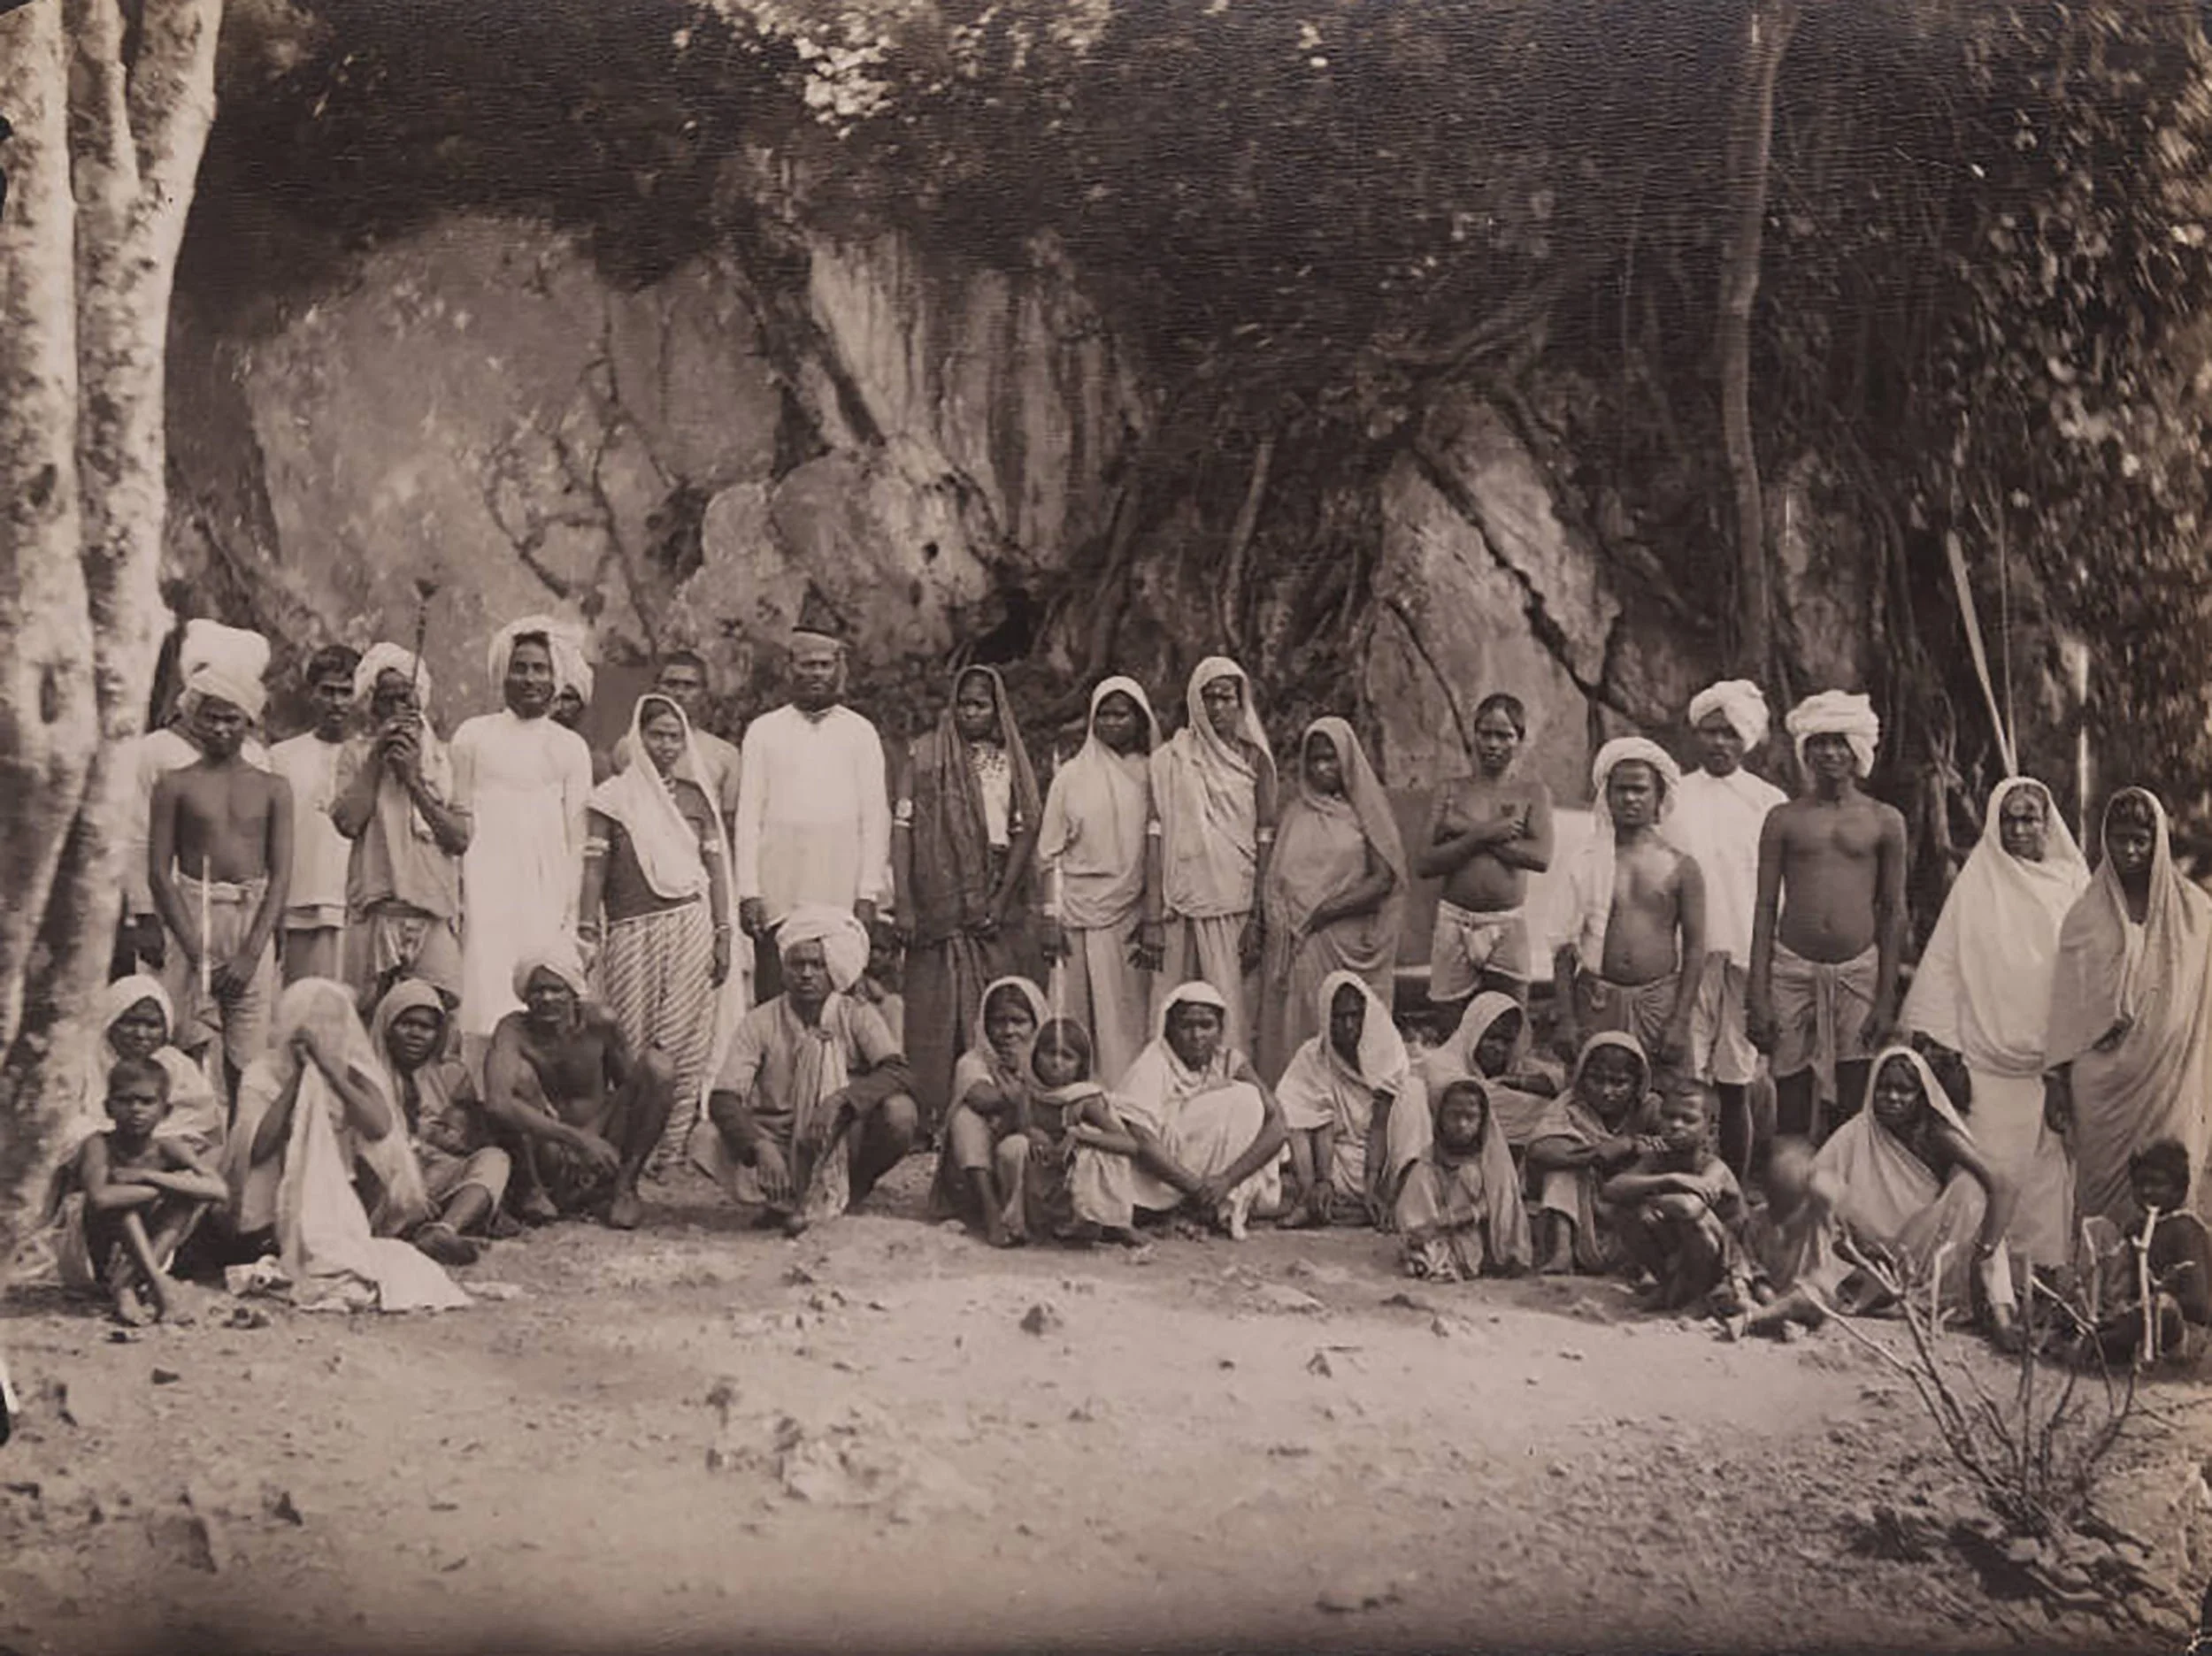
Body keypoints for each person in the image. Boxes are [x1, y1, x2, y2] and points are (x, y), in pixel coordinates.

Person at [1901, 777, 2085, 1268]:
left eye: (2030, 818)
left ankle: (2038, 1277)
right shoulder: (1977, 882)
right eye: (2009, 818)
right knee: (1983, 1172)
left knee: (2044, 1175)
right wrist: (1945, 1046)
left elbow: (2086, 970)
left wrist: (2069, 1060)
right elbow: (1944, 966)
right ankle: (1979, 1275)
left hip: (2047, 1065)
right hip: (1985, 1060)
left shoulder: (2071, 884)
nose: (2020, 828)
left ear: (2048, 824)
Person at [226, 979, 470, 1310]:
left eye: (334, 1022)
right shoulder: (262, 1071)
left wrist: (330, 1072)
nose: (324, 1030)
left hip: (340, 1203)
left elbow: (381, 1128)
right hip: (273, 1208)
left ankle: (356, 1235)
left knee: (377, 1147)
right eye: (314, 1021)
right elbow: (258, 1148)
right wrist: (300, 1080)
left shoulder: (354, 1073)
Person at [2044, 786, 2212, 1228]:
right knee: (2098, 1195)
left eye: (2142, 839)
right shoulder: (2083, 917)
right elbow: (2065, 1007)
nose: (2131, 850)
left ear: (2159, 843)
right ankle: (2100, 1287)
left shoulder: (2196, 913)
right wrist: (2056, 1082)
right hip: (2101, 1087)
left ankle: (2169, 1286)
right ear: (2106, 840)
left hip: (2170, 1079)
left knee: (2169, 1181)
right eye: (2120, 839)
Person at [580, 694, 733, 1172]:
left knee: (681, 1039)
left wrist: (723, 929)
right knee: (630, 1039)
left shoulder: (695, 798)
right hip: (630, 930)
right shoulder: (611, 797)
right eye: (656, 734)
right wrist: (587, 927)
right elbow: (593, 870)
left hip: (690, 925)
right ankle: (629, 1148)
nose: (666, 744)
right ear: (637, 737)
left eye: (674, 735)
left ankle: (668, 1150)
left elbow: (716, 868)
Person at [698, 906, 918, 1235]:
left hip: (838, 1136)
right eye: (797, 964)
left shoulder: (855, 1013)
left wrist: (841, 1101)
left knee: (900, 1113)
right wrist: (759, 1146)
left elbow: (897, 1071)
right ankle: (781, 1199)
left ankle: (852, 1189)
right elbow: (724, 1097)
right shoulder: (761, 1020)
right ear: (783, 969)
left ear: (832, 969)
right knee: (704, 1138)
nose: (806, 974)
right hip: (779, 1139)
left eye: (817, 964)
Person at [1748, 690, 1909, 1143]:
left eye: (1839, 742)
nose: (1829, 753)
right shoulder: (1783, 818)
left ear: (1858, 748)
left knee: (1856, 1092)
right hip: (1791, 968)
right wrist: (1757, 993)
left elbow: (1894, 910)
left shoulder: (1884, 820)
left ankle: (1844, 1202)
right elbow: (1764, 906)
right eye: (1818, 742)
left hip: (1859, 968)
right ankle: (1794, 1199)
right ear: (1805, 750)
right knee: (1792, 1091)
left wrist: (1885, 999)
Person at [894, 665, 1042, 1134]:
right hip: (935, 892)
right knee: (934, 1002)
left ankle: (997, 1106)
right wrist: (904, 901)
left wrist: (998, 900)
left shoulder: (1008, 761)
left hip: (993, 891)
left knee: (992, 1000)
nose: (971, 712)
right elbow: (904, 829)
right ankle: (930, 1112)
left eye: (981, 704)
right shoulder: (924, 757)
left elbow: (1025, 829)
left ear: (997, 709)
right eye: (964, 703)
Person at [148, 623, 292, 1091]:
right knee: (185, 1051)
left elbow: (282, 875)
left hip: (252, 921)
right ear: (194, 716)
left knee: (249, 1063)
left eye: (232, 718)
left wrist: (252, 953)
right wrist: (197, 954)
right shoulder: (175, 783)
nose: (221, 728)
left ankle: (243, 1155)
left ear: (249, 720)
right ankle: (190, 1148)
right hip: (194, 917)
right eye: (211, 717)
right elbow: (158, 874)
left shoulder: (273, 787)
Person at [1812, 1046, 2021, 1345]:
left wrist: (1984, 1251)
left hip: (1926, 1248)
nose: (1892, 1097)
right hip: (1868, 1251)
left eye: (1904, 1090)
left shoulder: (1936, 1133)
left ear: (1921, 1096)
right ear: (1871, 1088)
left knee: (1971, 1189)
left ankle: (2000, 1313)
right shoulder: (1856, 1133)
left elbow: (2003, 1184)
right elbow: (1813, 1188)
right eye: (1884, 1088)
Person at [449, 618, 595, 1046]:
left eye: (540, 669)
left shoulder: (569, 747)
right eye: (521, 668)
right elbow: (458, 821)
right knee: (480, 987)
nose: (530, 679)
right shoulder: (472, 735)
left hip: (546, 887)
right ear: (502, 674)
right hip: (483, 881)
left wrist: (574, 916)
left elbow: (579, 839)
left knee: (539, 989)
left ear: (556, 677)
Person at [733, 614, 892, 999]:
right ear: (791, 668)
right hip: (780, 892)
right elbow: (749, 816)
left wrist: (868, 892)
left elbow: (875, 818)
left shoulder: (860, 732)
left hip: (840, 892)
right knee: (777, 998)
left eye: (825, 665)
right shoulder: (764, 731)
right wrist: (749, 891)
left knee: (838, 1002)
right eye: (807, 665)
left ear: (838, 669)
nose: (816, 674)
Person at [1670, 680, 1788, 1177]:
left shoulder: (1767, 800)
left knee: (1736, 1082)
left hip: (1744, 954)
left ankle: (1732, 1193)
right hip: (1685, 957)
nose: (1719, 743)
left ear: (1748, 740)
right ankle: (1679, 1183)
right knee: (1684, 1083)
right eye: (1711, 732)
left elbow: (1779, 890)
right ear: (1696, 734)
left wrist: (1767, 971)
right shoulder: (1674, 793)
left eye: (1731, 734)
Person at [480, 943, 675, 1231]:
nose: (546, 998)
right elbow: (497, 1102)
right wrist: (577, 1140)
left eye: (556, 990)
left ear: (573, 993)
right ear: (525, 996)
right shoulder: (513, 1029)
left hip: (601, 1140)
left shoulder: (601, 1023)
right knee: (517, 1076)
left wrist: (596, 1135)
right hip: (548, 1147)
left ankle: (625, 1188)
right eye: (537, 991)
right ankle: (532, 1190)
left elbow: (629, 1089)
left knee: (658, 1066)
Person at [118, 620, 274, 976]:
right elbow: (135, 836)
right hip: (171, 909)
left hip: (240, 914)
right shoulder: (156, 750)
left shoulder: (256, 757)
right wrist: (143, 914)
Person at [1257, 717, 1408, 1082]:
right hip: (1296, 945)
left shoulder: (1365, 813)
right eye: (1314, 760)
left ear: (1348, 761)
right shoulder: (1295, 814)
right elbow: (1277, 880)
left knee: (1348, 1028)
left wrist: (1324, 912)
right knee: (1299, 1029)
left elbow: (1384, 878)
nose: (1322, 768)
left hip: (1343, 940)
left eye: (1331, 758)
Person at [1038, 678, 1166, 1090]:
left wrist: (1151, 915)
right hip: (1074, 910)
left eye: (1122, 714)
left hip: (1129, 914)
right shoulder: (1072, 776)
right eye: (1105, 714)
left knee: (1123, 1016)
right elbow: (1049, 852)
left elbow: (1159, 845)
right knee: (1072, 1012)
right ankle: (1070, 1100)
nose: (1113, 723)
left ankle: (1125, 1100)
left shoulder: (1153, 774)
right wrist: (1050, 914)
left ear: (1139, 719)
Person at [331, 642, 472, 1009]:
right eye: (386, 700)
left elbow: (459, 838)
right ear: (372, 705)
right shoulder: (356, 754)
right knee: (365, 1021)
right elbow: (347, 822)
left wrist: (412, 779)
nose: (396, 710)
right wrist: (379, 757)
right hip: (375, 913)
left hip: (433, 915)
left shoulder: (446, 758)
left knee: (434, 1021)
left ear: (419, 702)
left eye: (405, 700)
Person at [1150, 659, 1278, 1062]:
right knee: (1171, 1005)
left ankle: (1232, 1096)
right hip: (1180, 902)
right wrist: (1152, 911)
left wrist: (1258, 914)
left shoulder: (1256, 760)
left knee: (1231, 1012)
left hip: (1234, 903)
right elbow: (1154, 834)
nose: (1218, 707)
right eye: (1210, 698)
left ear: (1241, 703)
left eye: (1227, 697)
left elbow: (1265, 837)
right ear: (1194, 701)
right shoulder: (1170, 759)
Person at [1552, 738, 1706, 1071]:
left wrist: (1680, 1021)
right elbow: (1564, 946)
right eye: (1621, 789)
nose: (1630, 798)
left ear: (1659, 798)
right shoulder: (1586, 860)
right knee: (1593, 1100)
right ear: (1606, 796)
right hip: (1595, 1002)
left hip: (1659, 1005)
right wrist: (1566, 1018)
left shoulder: (1681, 866)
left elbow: (1696, 949)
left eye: (1640, 789)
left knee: (1667, 1103)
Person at [1097, 981, 1286, 1239]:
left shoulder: (1229, 1061)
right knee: (1243, 1098)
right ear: (1169, 1029)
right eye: (1186, 1026)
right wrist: (1196, 1188)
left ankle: (1211, 1205)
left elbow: (1277, 1127)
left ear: (1220, 1030)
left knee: (1249, 1099)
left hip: (1212, 1182)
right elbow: (1142, 1140)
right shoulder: (1155, 1061)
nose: (1197, 1035)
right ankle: (1186, 1207)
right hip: (1156, 1173)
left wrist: (1227, 1181)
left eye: (1206, 1025)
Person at [1415, 692, 1554, 1014]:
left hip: (1506, 921)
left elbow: (1541, 857)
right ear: (1474, 736)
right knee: (1450, 1023)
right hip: (1454, 919)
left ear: (1520, 741)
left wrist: (1460, 827)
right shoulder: (1450, 789)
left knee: (1509, 1021)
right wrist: (1483, 833)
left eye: (1504, 736)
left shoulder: (1532, 793)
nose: (1493, 744)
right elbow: (1424, 862)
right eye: (1486, 734)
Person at [60, 1059, 228, 1325]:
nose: (135, 1110)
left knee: (183, 1200)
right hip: (93, 1259)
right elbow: (100, 1198)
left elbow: (219, 1190)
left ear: (166, 1110)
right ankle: (157, 1286)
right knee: (124, 1203)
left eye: (146, 1102)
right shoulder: (98, 1144)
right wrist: (165, 1188)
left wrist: (150, 1177)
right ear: (108, 1108)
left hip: (142, 1259)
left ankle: (127, 1285)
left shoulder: (168, 1147)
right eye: (125, 1101)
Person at [368, 981, 513, 1265]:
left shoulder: (450, 1074)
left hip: (432, 1175)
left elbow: (467, 1142)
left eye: (426, 1027)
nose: (416, 1034)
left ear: (438, 1034)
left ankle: (443, 1231)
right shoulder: (367, 1072)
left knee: (494, 1160)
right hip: (384, 1182)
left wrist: (453, 1134)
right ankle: (406, 1227)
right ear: (386, 1025)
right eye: (406, 1024)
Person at [1601, 1081, 1753, 1314]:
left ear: (1710, 1129)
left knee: (1695, 1222)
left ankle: (1700, 1294)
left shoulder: (1715, 1168)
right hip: (1681, 1256)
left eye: (1688, 1119)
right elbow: (1612, 1189)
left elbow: (1689, 1208)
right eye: (1669, 1117)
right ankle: (1669, 1285)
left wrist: (1650, 1197)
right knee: (1626, 1213)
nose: (1676, 1125)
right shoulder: (1657, 1160)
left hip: (1725, 1264)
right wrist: (1670, 1179)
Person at [1271, 972, 1409, 1228]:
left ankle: (1345, 1204)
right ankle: (1311, 1197)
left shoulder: (1387, 1051)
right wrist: (1317, 1181)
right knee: (1276, 1154)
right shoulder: (1314, 1055)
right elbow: (1298, 1119)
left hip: (1377, 1159)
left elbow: (1381, 1125)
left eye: (1355, 1016)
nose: (1348, 1026)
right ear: (1326, 1017)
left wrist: (1371, 1185)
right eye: (1339, 1017)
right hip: (1327, 1158)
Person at [1525, 1031, 1666, 1274]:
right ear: (1581, 1077)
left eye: (1619, 1082)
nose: (1606, 1091)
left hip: (1623, 1206)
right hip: (1582, 1203)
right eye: (1596, 1079)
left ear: (1637, 1084)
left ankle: (1644, 1261)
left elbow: (1680, 1147)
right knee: (1561, 1173)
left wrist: (1632, 1145)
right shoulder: (1571, 1104)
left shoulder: (1650, 1109)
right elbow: (1539, 1148)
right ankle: (1562, 1252)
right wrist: (1596, 1154)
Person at [928, 976, 1052, 1246]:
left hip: (1028, 1169)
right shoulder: (973, 1060)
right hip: (975, 1177)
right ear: (985, 1025)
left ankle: (1023, 1220)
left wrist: (1023, 1080)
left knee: (1018, 1146)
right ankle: (992, 1215)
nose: (1008, 1031)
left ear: (1036, 1023)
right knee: (965, 1118)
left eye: (1019, 1021)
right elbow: (982, 1098)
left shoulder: (1051, 1060)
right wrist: (1020, 1090)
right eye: (998, 1022)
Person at [2072, 1139, 2212, 1366]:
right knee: (2097, 1229)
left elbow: (2200, 1306)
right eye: (2139, 1184)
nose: (2146, 1191)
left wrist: (2152, 1301)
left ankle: (2100, 1344)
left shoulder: (2185, 1228)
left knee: (2162, 1310)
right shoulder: (2136, 1228)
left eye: (2157, 1184)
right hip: (2140, 1320)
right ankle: (2100, 1338)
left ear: (2180, 1188)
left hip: (2185, 1331)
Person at [270, 644, 362, 986]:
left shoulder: (372, 756)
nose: (337, 703)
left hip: (355, 905)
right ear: (311, 694)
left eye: (346, 692)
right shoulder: (281, 757)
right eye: (327, 692)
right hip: (298, 904)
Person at [1394, 1077, 1533, 1282]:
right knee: (1421, 1176)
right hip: (1437, 1235)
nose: (1461, 1124)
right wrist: (1427, 1228)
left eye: (1470, 1117)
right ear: (1440, 1117)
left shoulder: (1492, 1161)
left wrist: (1456, 1218)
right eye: (1453, 1116)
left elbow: (1500, 1203)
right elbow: (1416, 1215)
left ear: (1482, 1120)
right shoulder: (1429, 1160)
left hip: (1478, 1235)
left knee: (1469, 1175)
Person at [1025, 1018, 1147, 1246]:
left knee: (1092, 1154)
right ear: (1035, 1055)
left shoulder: (1083, 1100)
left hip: (1073, 1173)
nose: (1056, 1063)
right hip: (1046, 1170)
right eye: (1049, 1053)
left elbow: (1130, 1145)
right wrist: (1031, 1133)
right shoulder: (1031, 1092)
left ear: (1081, 1065)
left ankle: (1108, 1223)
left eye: (1067, 1057)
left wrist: (1080, 1135)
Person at [612, 649, 742, 835]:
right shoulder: (629, 747)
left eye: (689, 685)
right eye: (671, 684)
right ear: (657, 688)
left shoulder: (725, 754)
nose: (679, 693)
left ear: (704, 693)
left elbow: (728, 824)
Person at [547, 627, 613, 784]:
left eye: (567, 698)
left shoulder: (595, 763)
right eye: (551, 697)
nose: (557, 706)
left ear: (582, 705)